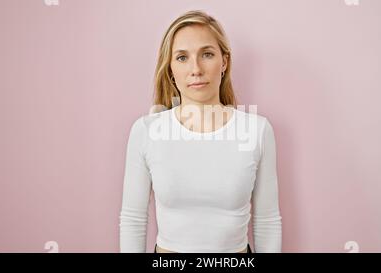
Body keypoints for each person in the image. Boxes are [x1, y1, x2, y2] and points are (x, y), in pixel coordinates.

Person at [119, 10, 282, 253]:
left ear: (224, 61)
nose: (196, 68)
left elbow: (267, 221)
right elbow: (133, 219)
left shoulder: (257, 131)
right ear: (171, 68)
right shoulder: (146, 131)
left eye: (206, 54)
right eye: (182, 57)